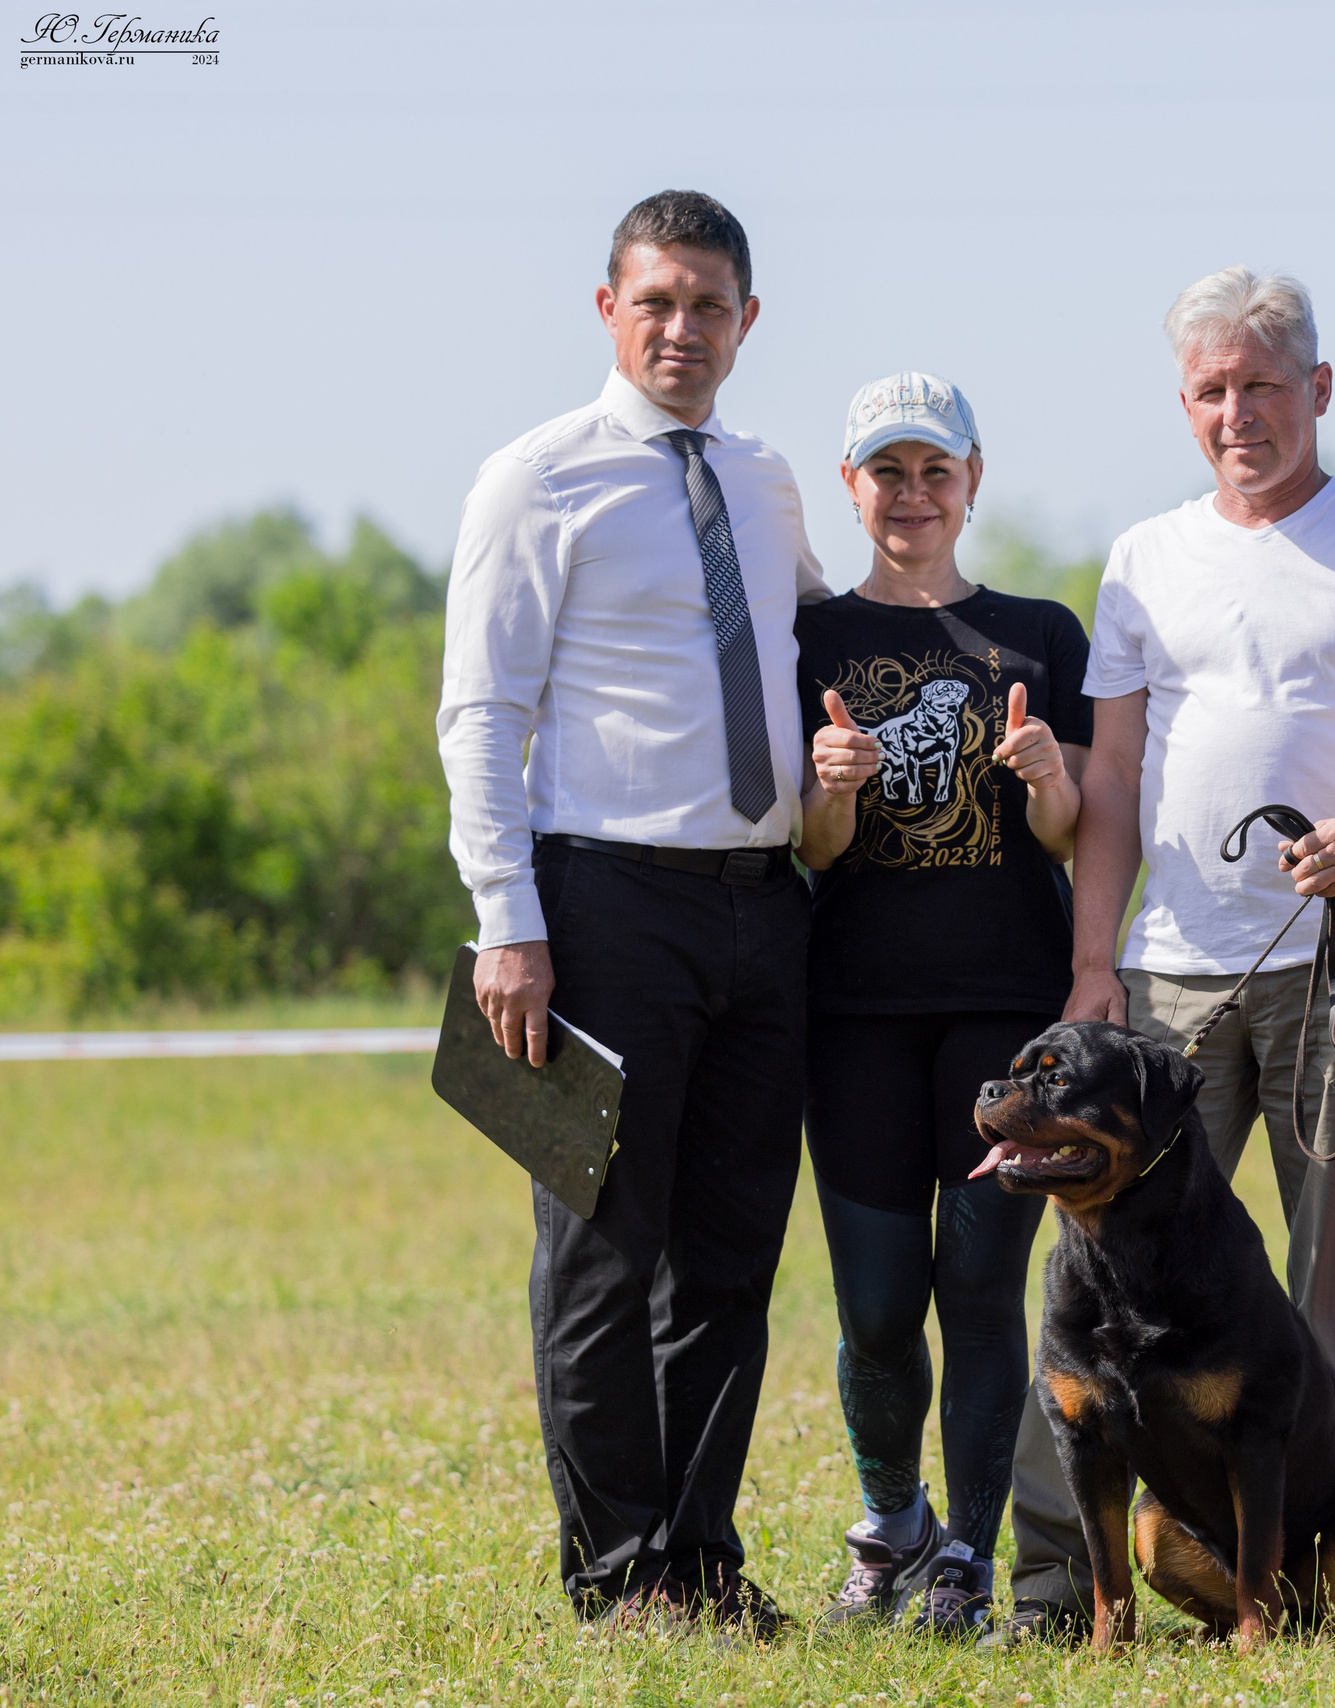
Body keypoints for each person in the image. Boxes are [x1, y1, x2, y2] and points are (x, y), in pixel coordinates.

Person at [997, 266, 1335, 1644]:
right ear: (1184, 403)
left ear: (1319, 390)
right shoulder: (1140, 559)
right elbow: (1113, 775)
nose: (1239, 412)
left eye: (1264, 385)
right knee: (1095, 1277)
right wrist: (1095, 961)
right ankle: (1065, 1587)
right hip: (1170, 975)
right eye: (1212, 390)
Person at [437, 191, 828, 1634]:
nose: (682, 328)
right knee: (604, 1254)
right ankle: (617, 1580)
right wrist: (506, 920)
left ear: (748, 320)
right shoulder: (535, 479)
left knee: (732, 1255)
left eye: (709, 303)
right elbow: (481, 711)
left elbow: (813, 653)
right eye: (656, 300)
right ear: (608, 307)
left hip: (764, 910)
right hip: (600, 906)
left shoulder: (770, 479)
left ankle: (701, 1561)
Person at [791, 373, 1091, 1640]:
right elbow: (804, 849)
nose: (912, 496)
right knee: (870, 1301)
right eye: (886, 473)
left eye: (936, 471)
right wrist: (836, 787)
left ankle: (968, 1551)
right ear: (851, 485)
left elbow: (1075, 833)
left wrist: (1041, 775)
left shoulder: (1040, 633)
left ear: (973, 480)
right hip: (850, 1012)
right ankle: (891, 1524)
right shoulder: (807, 641)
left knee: (978, 1289)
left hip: (1003, 1013)